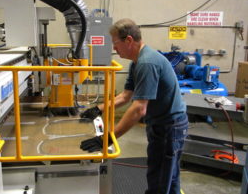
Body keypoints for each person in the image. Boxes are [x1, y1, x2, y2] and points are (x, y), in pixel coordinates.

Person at [80, 18, 188, 194]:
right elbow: (125, 95)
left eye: (116, 44)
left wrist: (107, 138)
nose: (114, 49)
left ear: (128, 40)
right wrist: (97, 109)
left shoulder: (147, 63)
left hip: (169, 127)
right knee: (170, 175)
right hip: (164, 122)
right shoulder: (136, 61)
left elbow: (139, 108)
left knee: (160, 178)